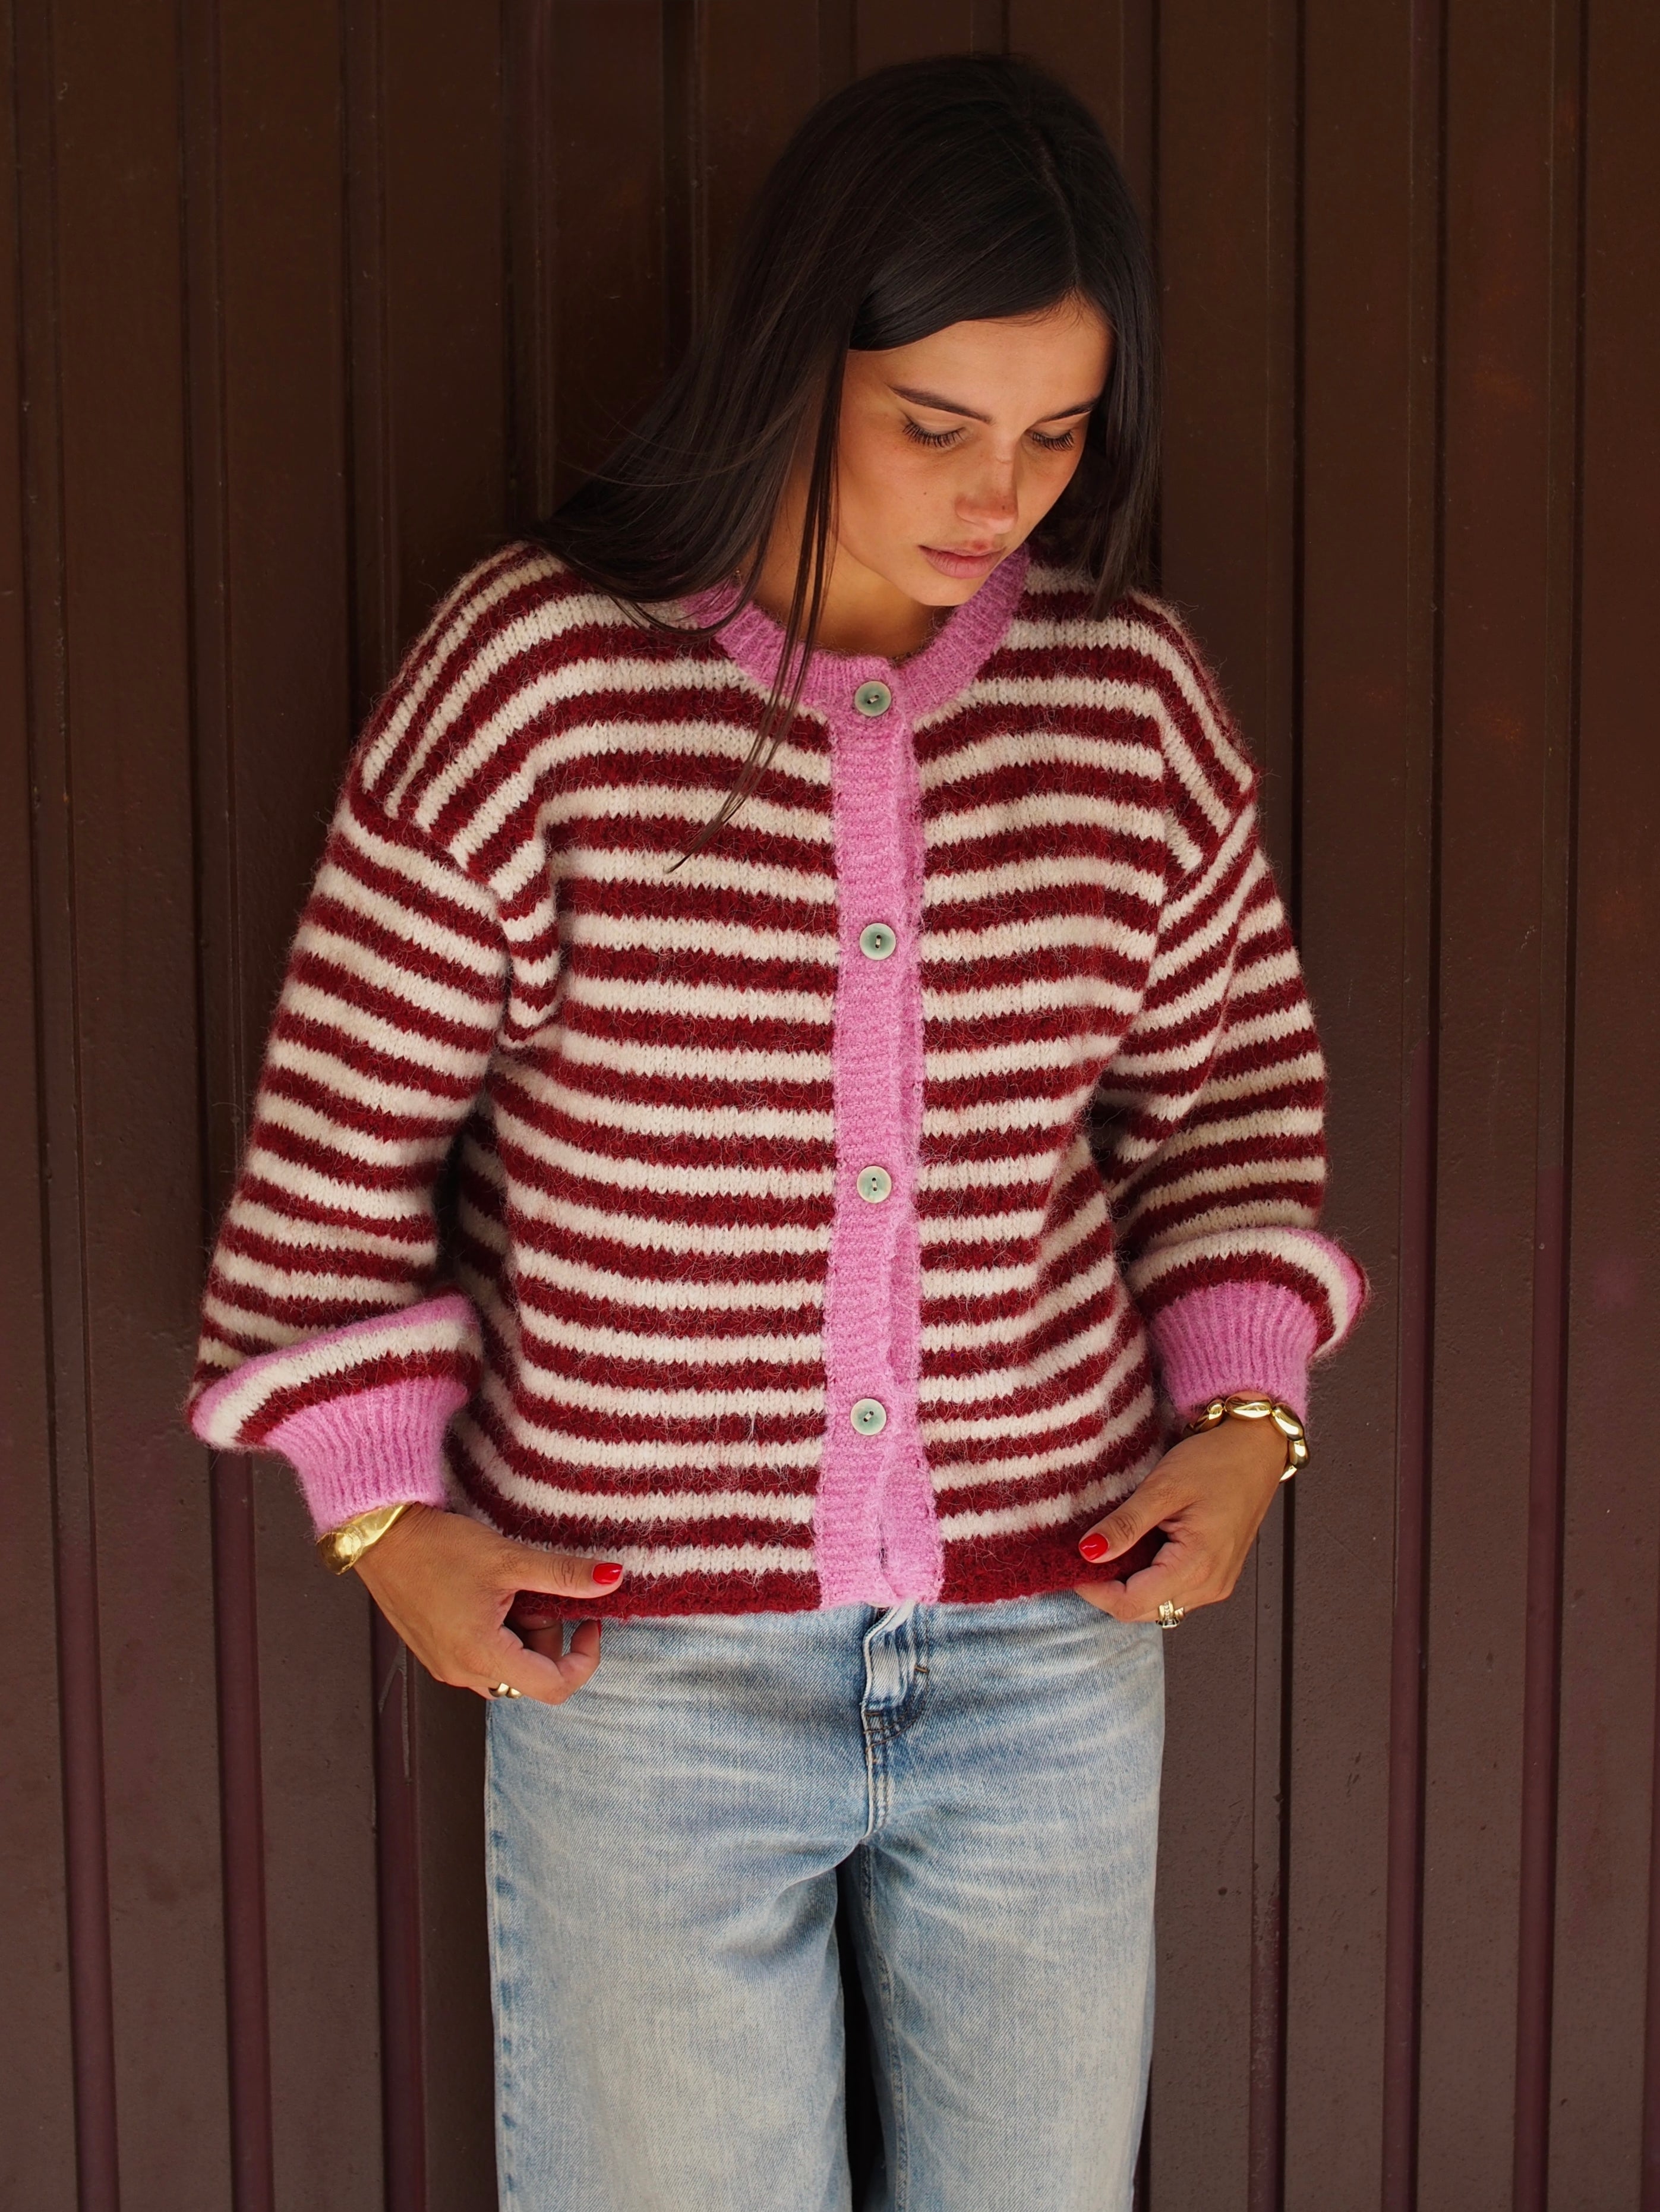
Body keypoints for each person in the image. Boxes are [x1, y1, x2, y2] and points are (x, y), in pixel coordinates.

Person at [187, 52, 1365, 2212]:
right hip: (640, 1667)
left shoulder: (1126, 702)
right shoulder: (536, 677)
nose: (999, 494)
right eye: (935, 421)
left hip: (1051, 1643)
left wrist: (1242, 1426)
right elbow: (338, 1149)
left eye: (1054, 433)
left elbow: (1228, 1109)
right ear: (792, 355)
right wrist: (384, 1519)